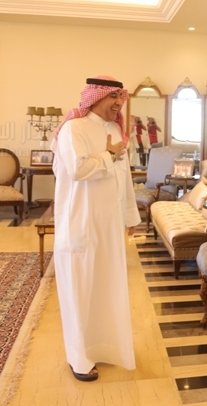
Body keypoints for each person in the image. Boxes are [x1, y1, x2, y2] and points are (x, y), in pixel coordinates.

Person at [51, 76, 141, 382]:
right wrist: (110, 155)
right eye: (113, 96)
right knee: (80, 291)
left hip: (110, 225)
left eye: (121, 96)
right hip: (81, 223)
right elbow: (78, 169)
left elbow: (124, 176)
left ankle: (108, 348)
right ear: (95, 97)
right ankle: (79, 358)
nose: (118, 102)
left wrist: (129, 216)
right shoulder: (73, 129)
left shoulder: (115, 130)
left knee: (108, 288)